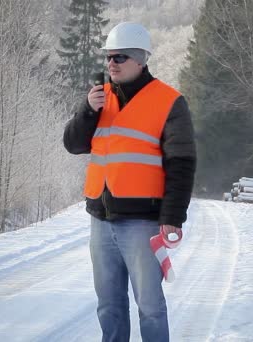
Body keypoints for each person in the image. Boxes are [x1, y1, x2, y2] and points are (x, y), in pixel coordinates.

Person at [63, 22, 196, 342]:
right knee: (108, 305)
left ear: (140, 60)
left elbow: (182, 164)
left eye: (120, 57)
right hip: (101, 219)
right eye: (109, 57)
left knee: (149, 306)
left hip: (143, 222)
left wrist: (172, 217)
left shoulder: (169, 101)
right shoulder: (98, 98)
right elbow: (73, 144)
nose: (111, 63)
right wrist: (87, 112)